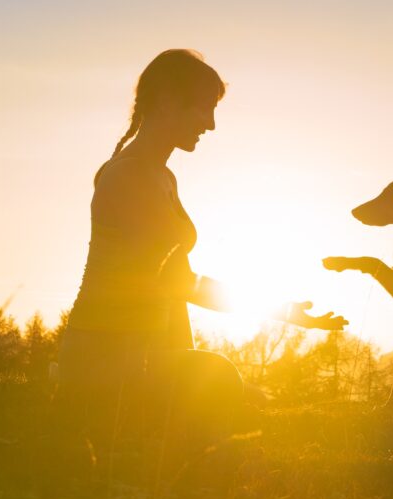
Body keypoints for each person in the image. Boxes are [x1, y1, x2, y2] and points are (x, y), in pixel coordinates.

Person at [56, 49, 346, 449]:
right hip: (103, 361)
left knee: (222, 384)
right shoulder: (128, 177)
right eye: (204, 109)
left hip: (140, 355)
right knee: (222, 378)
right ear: (167, 101)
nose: (210, 125)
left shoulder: (163, 177)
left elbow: (168, 295)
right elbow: (180, 284)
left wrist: (184, 367)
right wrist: (282, 312)